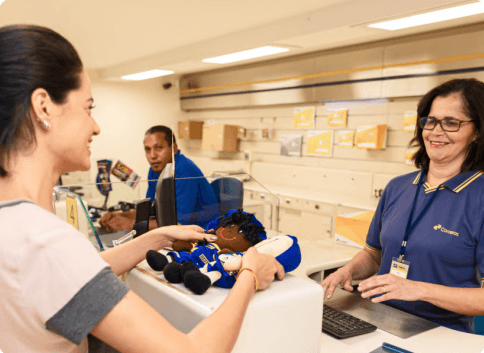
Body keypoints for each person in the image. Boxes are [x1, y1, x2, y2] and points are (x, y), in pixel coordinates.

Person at [0, 24, 284, 353]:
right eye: (88, 107)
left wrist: (155, 237)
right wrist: (250, 273)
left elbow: (68, 277)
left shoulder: (19, 227)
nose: (95, 126)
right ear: (43, 107)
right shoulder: (45, 243)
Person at [322, 78, 484, 334]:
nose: (436, 131)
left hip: (441, 333)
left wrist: (419, 289)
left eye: (451, 123)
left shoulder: (479, 198)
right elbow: (374, 255)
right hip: (377, 319)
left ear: (476, 131)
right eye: (430, 121)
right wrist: (348, 271)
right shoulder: (398, 187)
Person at [99, 126, 220, 231]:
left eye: (158, 148)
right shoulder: (155, 170)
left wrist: (129, 224)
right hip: (177, 233)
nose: (152, 156)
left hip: (202, 235)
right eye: (147, 149)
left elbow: (178, 224)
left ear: (174, 148)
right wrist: (119, 216)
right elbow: (150, 212)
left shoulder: (184, 169)